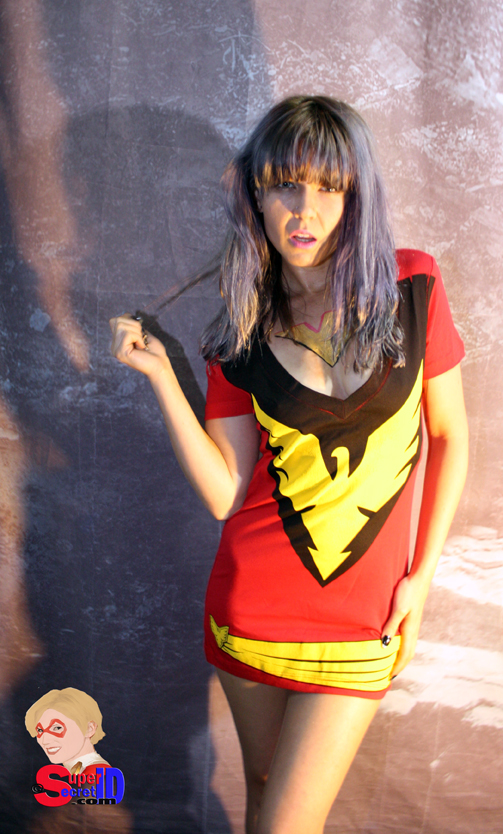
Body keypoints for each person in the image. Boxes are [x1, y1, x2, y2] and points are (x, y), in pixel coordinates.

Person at [110, 96, 468, 834]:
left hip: (362, 620)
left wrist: (420, 579)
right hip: (252, 612)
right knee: (264, 795)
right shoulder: (240, 334)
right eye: (284, 185)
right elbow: (224, 494)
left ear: (356, 196)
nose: (304, 209)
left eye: (329, 187)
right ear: (255, 193)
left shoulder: (413, 289)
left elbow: (450, 437)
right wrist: (163, 378)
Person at [25, 687, 110, 776]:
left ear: (89, 728)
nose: (44, 740)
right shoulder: (78, 773)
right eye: (40, 730)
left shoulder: (98, 775)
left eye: (57, 728)